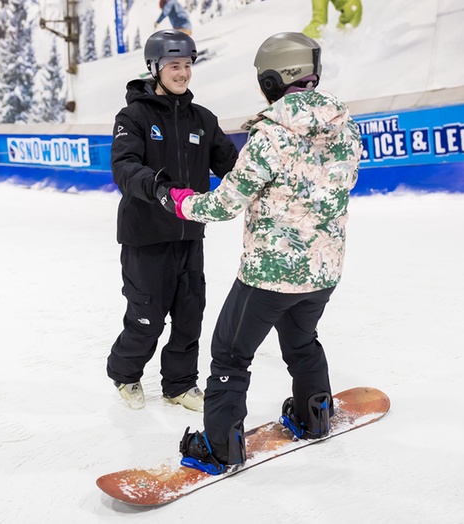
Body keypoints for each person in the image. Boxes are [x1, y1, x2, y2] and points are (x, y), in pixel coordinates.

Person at [160, 32, 363, 474]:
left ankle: (218, 447)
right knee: (302, 341)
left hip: (269, 273)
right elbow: (342, 184)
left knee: (231, 354)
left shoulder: (270, 136)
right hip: (323, 270)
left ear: (272, 80)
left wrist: (178, 200)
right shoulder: (346, 127)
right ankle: (314, 417)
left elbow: (224, 205)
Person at [107, 30, 238, 411]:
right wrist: (160, 190)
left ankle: (180, 385)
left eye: (187, 66)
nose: (182, 74)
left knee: (189, 313)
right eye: (174, 66)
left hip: (189, 235)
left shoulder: (203, 120)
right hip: (146, 235)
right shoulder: (133, 116)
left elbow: (233, 166)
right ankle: (126, 374)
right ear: (155, 69)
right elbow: (125, 167)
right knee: (147, 315)